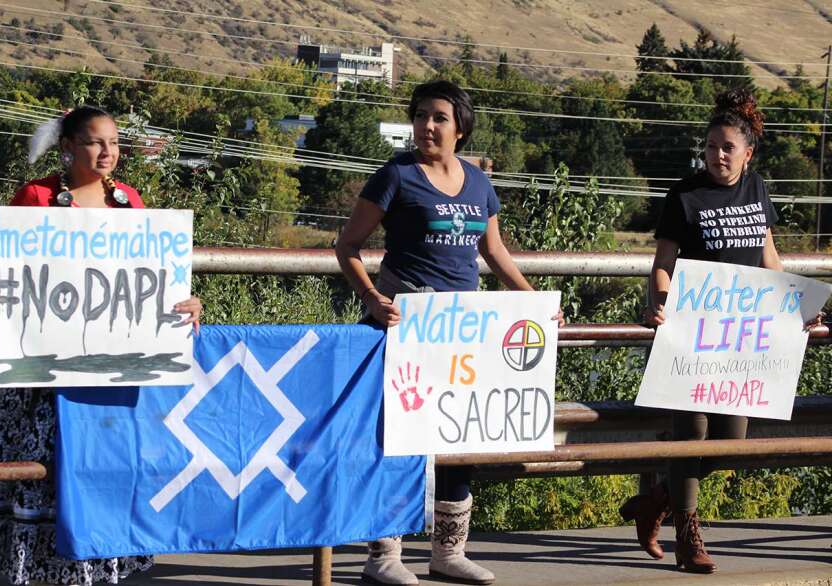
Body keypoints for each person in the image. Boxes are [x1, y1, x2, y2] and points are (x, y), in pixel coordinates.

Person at [335, 80, 563, 586]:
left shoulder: (480, 184)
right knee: (394, 439)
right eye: (420, 115)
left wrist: (532, 300)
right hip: (401, 327)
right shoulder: (396, 175)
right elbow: (347, 245)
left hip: (461, 334)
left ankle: (448, 552)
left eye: (438, 117)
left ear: (461, 126)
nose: (426, 126)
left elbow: (493, 252)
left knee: (459, 437)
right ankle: (383, 556)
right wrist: (372, 297)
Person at [0, 105, 202, 585]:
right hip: (42, 373)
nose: (108, 152)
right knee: (43, 472)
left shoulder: (129, 203)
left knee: (101, 468)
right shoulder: (34, 198)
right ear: (68, 147)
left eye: (114, 143)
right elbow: (10, 276)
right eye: (96, 142)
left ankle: (98, 570)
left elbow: (154, 279)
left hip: (108, 378)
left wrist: (185, 303)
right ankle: (34, 571)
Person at [619, 88, 791, 574]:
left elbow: (768, 257)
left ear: (747, 153)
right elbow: (662, 265)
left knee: (728, 443)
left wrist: (791, 307)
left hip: (742, 341)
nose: (716, 154)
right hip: (692, 336)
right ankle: (687, 535)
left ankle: (655, 499)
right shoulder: (685, 194)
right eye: (710, 145)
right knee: (691, 434)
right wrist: (661, 303)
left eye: (727, 147)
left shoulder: (756, 189)